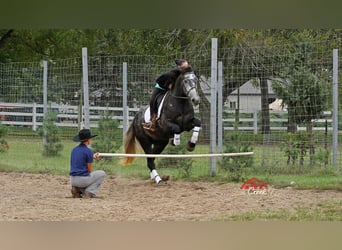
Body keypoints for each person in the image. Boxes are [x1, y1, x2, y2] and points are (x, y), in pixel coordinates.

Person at [143, 59, 190, 131]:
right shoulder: (170, 74)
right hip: (160, 87)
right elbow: (158, 80)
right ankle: (152, 120)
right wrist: (168, 85)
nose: (187, 68)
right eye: (184, 67)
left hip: (171, 90)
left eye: (187, 66)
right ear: (179, 67)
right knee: (152, 100)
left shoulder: (185, 74)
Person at [70, 128, 106, 198]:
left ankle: (77, 189)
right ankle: (89, 192)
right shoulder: (88, 151)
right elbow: (89, 170)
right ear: (88, 140)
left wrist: (91, 157)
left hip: (72, 180)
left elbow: (80, 158)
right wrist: (90, 157)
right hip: (82, 179)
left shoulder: (74, 150)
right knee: (101, 173)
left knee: (87, 178)